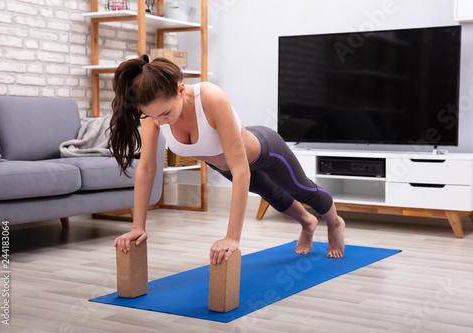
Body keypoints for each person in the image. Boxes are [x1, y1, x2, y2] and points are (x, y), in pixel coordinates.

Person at [110, 54, 345, 264]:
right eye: (154, 117)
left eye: (165, 114)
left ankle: (334, 223)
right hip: (227, 165)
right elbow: (147, 168)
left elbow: (241, 167)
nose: (160, 122)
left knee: (301, 190)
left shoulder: (210, 97)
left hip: (265, 151)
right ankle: (308, 223)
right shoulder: (152, 115)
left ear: (181, 90)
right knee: (273, 195)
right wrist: (138, 227)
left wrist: (232, 237)